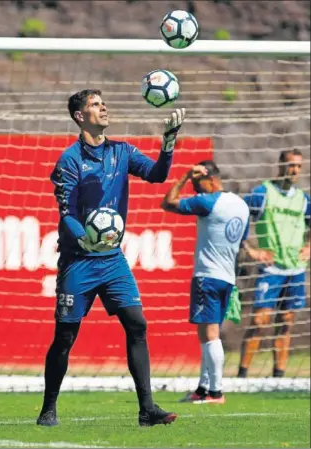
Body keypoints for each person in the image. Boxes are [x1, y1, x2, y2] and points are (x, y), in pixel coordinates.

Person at [36, 89, 186, 427]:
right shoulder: (69, 160)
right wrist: (86, 237)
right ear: (79, 115)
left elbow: (158, 175)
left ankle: (147, 410)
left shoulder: (122, 151)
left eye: (103, 103)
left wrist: (168, 144)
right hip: (79, 260)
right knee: (65, 338)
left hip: (113, 260)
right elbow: (67, 213)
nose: (103, 108)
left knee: (137, 323)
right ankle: (48, 408)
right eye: (94, 104)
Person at [161, 161, 250, 403]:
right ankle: (203, 388)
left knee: (210, 335)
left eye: (196, 184)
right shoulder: (241, 206)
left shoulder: (209, 202)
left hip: (208, 276)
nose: (195, 190)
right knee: (206, 335)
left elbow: (167, 202)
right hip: (227, 278)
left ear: (209, 179)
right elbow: (242, 242)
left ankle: (216, 392)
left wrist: (183, 176)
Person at [237, 149, 310, 378]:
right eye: (290, 165)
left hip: (296, 268)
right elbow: (237, 215)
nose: (294, 170)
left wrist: (309, 247)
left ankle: (279, 376)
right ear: (280, 165)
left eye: (298, 166)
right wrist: (250, 249)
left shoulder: (303, 199)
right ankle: (242, 376)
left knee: (286, 322)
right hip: (271, 268)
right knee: (260, 320)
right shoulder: (263, 193)